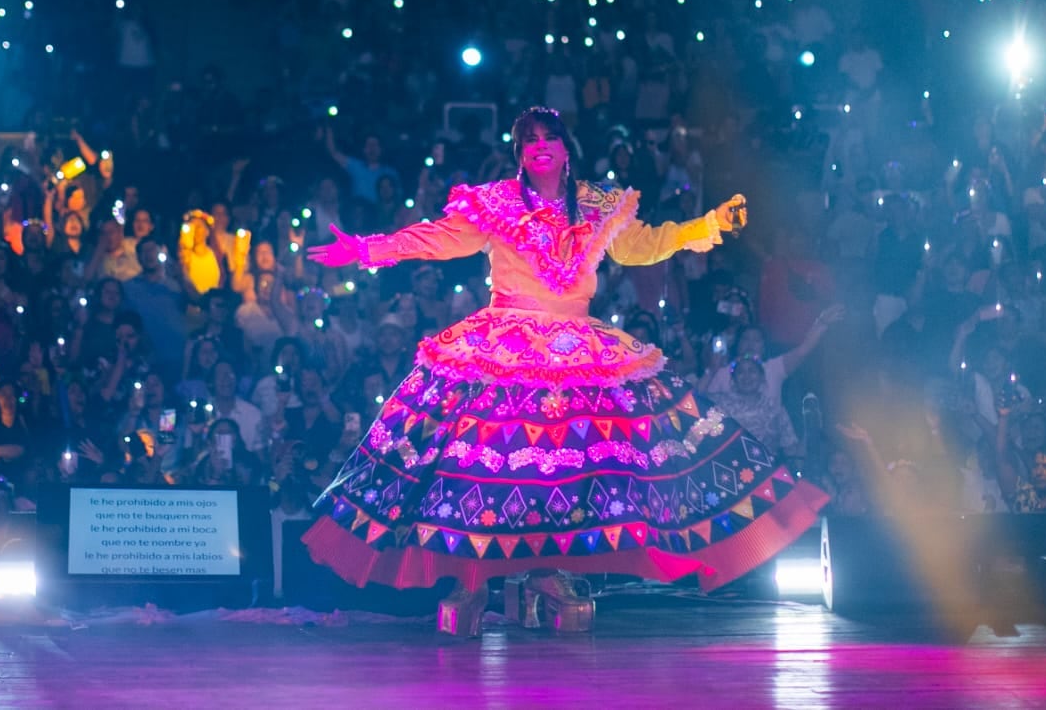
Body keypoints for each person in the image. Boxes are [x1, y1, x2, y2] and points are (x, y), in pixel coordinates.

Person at [304, 106, 827, 635]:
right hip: (505, 347)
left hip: (576, 349)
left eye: (549, 136)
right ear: (518, 153)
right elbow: (439, 237)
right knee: (489, 463)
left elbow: (641, 245)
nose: (540, 145)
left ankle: (546, 573)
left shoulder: (598, 205)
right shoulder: (497, 203)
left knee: (557, 469)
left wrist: (705, 225)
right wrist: (369, 249)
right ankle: (472, 577)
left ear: (565, 147)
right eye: (528, 139)